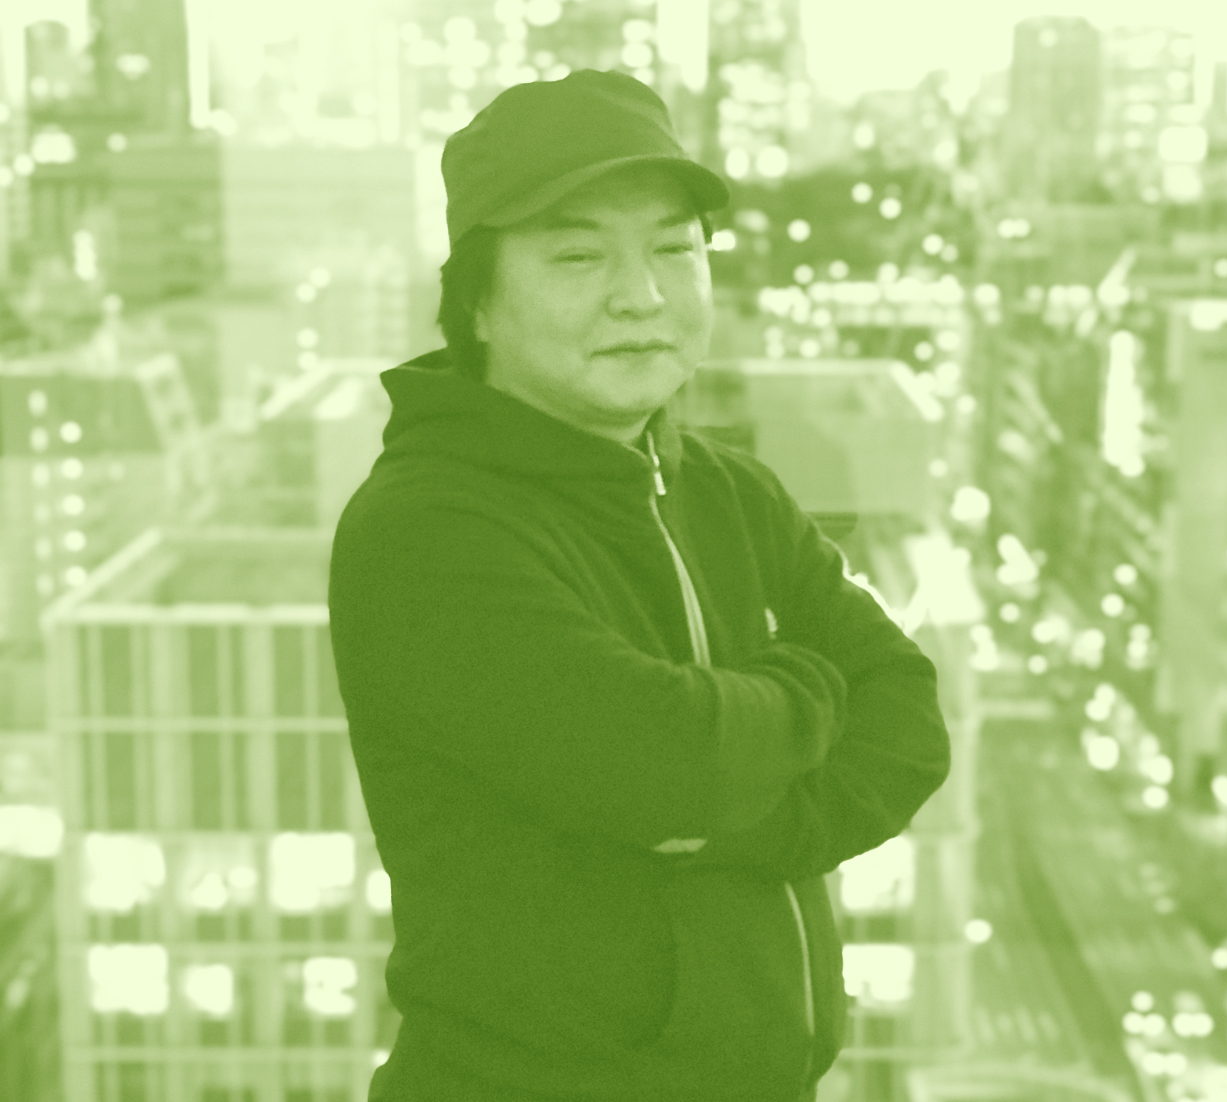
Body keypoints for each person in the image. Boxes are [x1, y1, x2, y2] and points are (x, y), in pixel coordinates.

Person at [327, 69, 951, 1102]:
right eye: (578, 255)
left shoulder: (729, 490)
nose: (642, 295)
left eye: (673, 249)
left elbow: (910, 721)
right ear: (476, 301)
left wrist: (742, 824)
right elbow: (672, 761)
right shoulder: (425, 528)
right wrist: (806, 683)